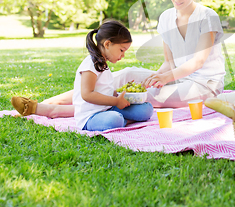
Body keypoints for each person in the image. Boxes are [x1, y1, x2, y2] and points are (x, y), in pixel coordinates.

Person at [11, 0, 225, 115]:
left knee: (137, 96)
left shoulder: (207, 16)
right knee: (125, 74)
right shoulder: (166, 18)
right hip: (176, 78)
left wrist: (163, 79)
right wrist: (156, 77)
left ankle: (50, 111)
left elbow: (198, 61)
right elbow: (169, 63)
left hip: (204, 85)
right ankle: (45, 102)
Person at [12, 20, 154, 131]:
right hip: (91, 116)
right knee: (114, 119)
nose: (123, 55)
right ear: (108, 44)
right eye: (122, 50)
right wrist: (116, 102)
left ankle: (120, 119)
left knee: (146, 109)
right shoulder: (90, 65)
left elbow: (105, 90)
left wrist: (127, 93)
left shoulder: (103, 64)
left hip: (106, 108)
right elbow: (87, 95)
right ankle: (119, 120)